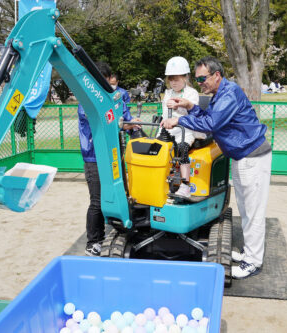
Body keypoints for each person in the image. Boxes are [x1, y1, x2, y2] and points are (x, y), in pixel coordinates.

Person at [161, 56, 272, 279]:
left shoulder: (229, 94)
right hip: (242, 156)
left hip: (252, 156)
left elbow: (211, 124)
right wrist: (190, 106)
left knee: (253, 211)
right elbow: (208, 117)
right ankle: (249, 253)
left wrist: (179, 121)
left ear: (217, 75)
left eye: (203, 78)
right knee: (246, 209)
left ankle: (253, 261)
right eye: (198, 78)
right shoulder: (219, 94)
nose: (200, 82)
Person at [78, 62, 141, 257]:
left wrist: (132, 124)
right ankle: (93, 241)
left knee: (121, 192)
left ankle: (119, 228)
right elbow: (102, 120)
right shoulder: (86, 99)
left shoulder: (115, 97)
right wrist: (124, 125)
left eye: (105, 80)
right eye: (100, 80)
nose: (105, 84)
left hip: (114, 154)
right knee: (97, 200)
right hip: (95, 157)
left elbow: (125, 116)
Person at [160, 56, 205, 198]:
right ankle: (162, 181)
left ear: (185, 78)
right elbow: (164, 113)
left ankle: (185, 184)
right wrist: (164, 121)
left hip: (186, 129)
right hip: (169, 129)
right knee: (157, 148)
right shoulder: (167, 93)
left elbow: (193, 114)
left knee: (183, 148)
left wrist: (179, 107)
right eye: (171, 79)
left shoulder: (191, 93)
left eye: (177, 79)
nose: (173, 83)